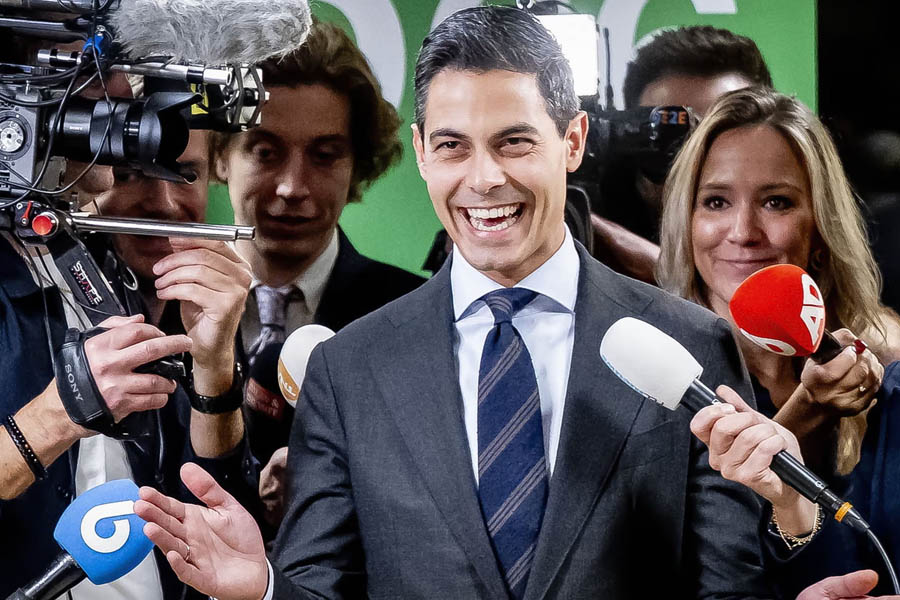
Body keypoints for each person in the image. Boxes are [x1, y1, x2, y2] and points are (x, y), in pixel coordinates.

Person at [134, 7, 835, 599]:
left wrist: (794, 517)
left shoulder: (688, 342)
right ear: (422, 154)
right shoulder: (350, 370)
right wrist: (263, 587)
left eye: (514, 142)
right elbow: (322, 585)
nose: (484, 178)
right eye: (453, 146)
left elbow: (730, 584)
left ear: (572, 141)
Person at [0, 59, 257, 597]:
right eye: (94, 77)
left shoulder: (94, 259)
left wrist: (212, 366)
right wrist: (57, 416)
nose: (122, 96)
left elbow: (205, 497)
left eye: (184, 173)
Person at [657, 86, 900, 595]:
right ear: (687, 221)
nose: (743, 231)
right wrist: (804, 411)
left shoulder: (886, 384)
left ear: (819, 229)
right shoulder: (652, 381)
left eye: (776, 202)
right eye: (716, 201)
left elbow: (865, 575)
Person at [211, 23, 424, 520]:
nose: (292, 187)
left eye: (325, 156)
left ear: (357, 167)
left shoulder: (412, 315)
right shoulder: (159, 305)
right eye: (265, 152)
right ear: (221, 156)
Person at [593, 25, 774, 282]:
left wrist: (665, 277)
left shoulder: (797, 244)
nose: (695, 158)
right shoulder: (589, 241)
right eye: (671, 134)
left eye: (721, 132)